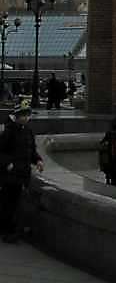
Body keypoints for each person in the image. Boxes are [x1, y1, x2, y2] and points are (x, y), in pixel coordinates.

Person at [0, 99, 43, 243]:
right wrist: (8, 163)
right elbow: (1, 151)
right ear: (17, 116)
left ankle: (14, 230)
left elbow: (32, 150)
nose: (26, 118)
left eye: (27, 115)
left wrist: (38, 160)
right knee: (9, 202)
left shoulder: (28, 131)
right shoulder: (9, 131)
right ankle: (8, 231)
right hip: (11, 174)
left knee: (17, 202)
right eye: (23, 115)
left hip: (23, 172)